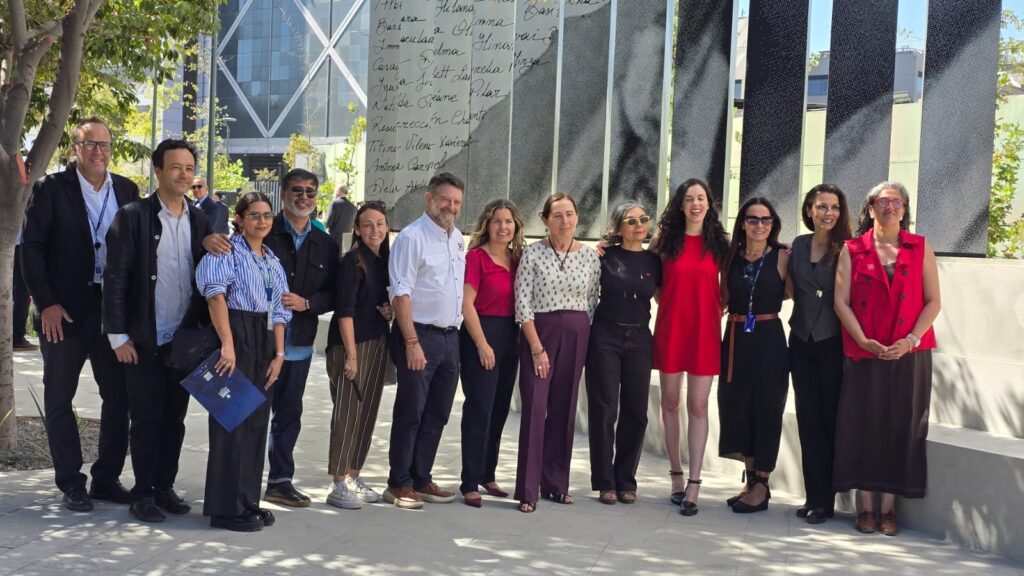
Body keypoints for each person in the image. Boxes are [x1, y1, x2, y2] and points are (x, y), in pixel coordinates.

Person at [21, 117, 136, 510]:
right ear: (75, 148)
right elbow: (31, 249)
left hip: (112, 314)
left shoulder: (127, 189)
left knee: (119, 398)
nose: (98, 152)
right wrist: (46, 303)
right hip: (63, 314)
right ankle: (71, 482)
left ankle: (106, 478)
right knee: (59, 398)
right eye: (90, 144)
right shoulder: (51, 188)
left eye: (104, 144)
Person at [103, 139, 213, 522]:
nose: (184, 174)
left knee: (174, 421)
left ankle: (164, 487)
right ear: (158, 170)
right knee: (146, 420)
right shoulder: (132, 216)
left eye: (189, 168)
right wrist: (118, 336)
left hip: (184, 343)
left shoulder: (200, 220)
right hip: (144, 340)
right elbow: (115, 279)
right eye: (176, 167)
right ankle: (143, 492)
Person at [833, 182, 940, 537]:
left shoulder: (920, 248)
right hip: (864, 352)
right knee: (862, 425)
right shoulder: (852, 249)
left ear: (904, 209)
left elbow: (933, 302)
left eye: (897, 201)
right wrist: (862, 340)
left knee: (900, 425)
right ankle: (865, 508)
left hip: (908, 354)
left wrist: (910, 341)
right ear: (871, 208)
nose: (890, 206)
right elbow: (840, 301)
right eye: (883, 201)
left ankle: (889, 509)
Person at [196, 192, 291, 532]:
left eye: (267, 215)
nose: (262, 221)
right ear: (239, 218)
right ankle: (225, 508)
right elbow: (215, 296)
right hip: (235, 332)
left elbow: (279, 310)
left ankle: (247, 500)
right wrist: (228, 345)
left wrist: (279, 355)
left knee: (256, 423)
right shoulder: (226, 251)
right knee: (232, 423)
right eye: (254, 215)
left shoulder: (272, 259)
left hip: (264, 339)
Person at [513, 193, 601, 513]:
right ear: (545, 219)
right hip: (540, 333)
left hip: (577, 333)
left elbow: (593, 300)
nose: (565, 221)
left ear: (577, 217)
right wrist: (537, 348)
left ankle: (555, 484)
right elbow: (522, 303)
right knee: (536, 408)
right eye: (558, 215)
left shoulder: (590, 257)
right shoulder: (532, 253)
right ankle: (527, 490)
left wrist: (580, 333)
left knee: (564, 410)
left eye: (570, 214)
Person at [385, 172, 466, 510]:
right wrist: (411, 342)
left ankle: (421, 477)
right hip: (419, 336)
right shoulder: (411, 237)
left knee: (437, 413)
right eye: (445, 199)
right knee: (411, 412)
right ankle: (398, 482)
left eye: (457, 202)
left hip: (450, 338)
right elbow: (400, 293)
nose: (451, 207)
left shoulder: (457, 237)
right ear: (429, 198)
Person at [649, 179, 729, 516]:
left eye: (701, 198)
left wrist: (715, 306)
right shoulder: (664, 240)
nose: (695, 204)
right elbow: (651, 281)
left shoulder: (720, 242)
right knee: (669, 402)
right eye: (689, 199)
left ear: (709, 203)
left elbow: (729, 287)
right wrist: (667, 302)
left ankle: (695, 483)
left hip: (704, 332)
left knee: (698, 405)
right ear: (680, 205)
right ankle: (676, 476)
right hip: (671, 328)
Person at [261, 169, 339, 508]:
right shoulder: (264, 231)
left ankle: (280, 481)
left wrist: (308, 303)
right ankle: (241, 479)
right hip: (261, 343)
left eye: (310, 191)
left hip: (299, 344)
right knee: (248, 413)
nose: (303, 197)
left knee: (289, 414)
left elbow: (334, 293)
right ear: (283, 193)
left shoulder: (326, 244)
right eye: (297, 190)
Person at [718, 196, 790, 514]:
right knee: (737, 406)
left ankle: (762, 482)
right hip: (736, 337)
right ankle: (750, 480)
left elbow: (794, 292)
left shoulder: (782, 256)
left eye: (765, 220)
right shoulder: (730, 256)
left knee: (768, 408)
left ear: (773, 224)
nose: (759, 225)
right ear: (742, 223)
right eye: (752, 219)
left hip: (769, 337)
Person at [586, 202, 661, 506]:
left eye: (643, 219)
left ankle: (626, 480)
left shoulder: (654, 261)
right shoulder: (603, 257)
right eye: (631, 221)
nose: (639, 225)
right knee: (604, 410)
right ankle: (605, 482)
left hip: (640, 339)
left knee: (636, 412)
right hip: (606, 337)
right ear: (618, 227)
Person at [786, 184, 852, 525]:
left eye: (835, 207)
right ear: (809, 209)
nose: (829, 213)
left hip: (833, 342)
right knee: (808, 420)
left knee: (830, 420)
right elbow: (789, 287)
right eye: (822, 206)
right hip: (800, 341)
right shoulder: (797, 245)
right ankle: (813, 496)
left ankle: (827, 500)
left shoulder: (848, 248)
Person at [324, 200, 392, 510]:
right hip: (350, 346)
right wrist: (351, 354)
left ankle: (354, 474)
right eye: (367, 224)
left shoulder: (384, 260)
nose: (374, 230)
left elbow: (379, 302)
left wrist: (388, 311)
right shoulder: (353, 261)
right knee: (347, 414)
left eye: (379, 223)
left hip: (377, 343)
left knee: (367, 413)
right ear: (358, 229)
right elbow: (345, 311)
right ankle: (338, 481)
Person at [459, 199, 526, 508]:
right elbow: (466, 304)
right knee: (480, 408)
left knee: (499, 409)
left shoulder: (518, 259)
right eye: (497, 221)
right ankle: (470, 481)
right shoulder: (476, 258)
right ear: (487, 224)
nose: (503, 227)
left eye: (508, 221)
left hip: (510, 336)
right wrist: (482, 344)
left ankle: (488, 473)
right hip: (481, 334)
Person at [12, 226, 36, 351]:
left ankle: (16, 336)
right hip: (22, 245)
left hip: (15, 245)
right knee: (22, 293)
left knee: (19, 293)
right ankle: (17, 337)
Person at [326, 184, 357, 252]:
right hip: (347, 240)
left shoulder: (334, 204)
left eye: (334, 190)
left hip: (334, 239)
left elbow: (328, 222)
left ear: (338, 191)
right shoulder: (353, 207)